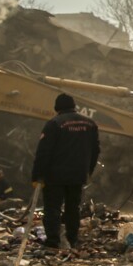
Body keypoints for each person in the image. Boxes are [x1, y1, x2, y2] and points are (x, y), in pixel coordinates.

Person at [31, 93, 100, 250]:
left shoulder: (54, 123)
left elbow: (43, 152)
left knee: (52, 209)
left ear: (57, 107)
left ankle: (53, 242)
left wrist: (37, 175)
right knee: (72, 208)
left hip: (55, 176)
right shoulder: (90, 124)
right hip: (78, 175)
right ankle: (72, 239)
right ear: (74, 106)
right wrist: (88, 171)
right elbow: (96, 150)